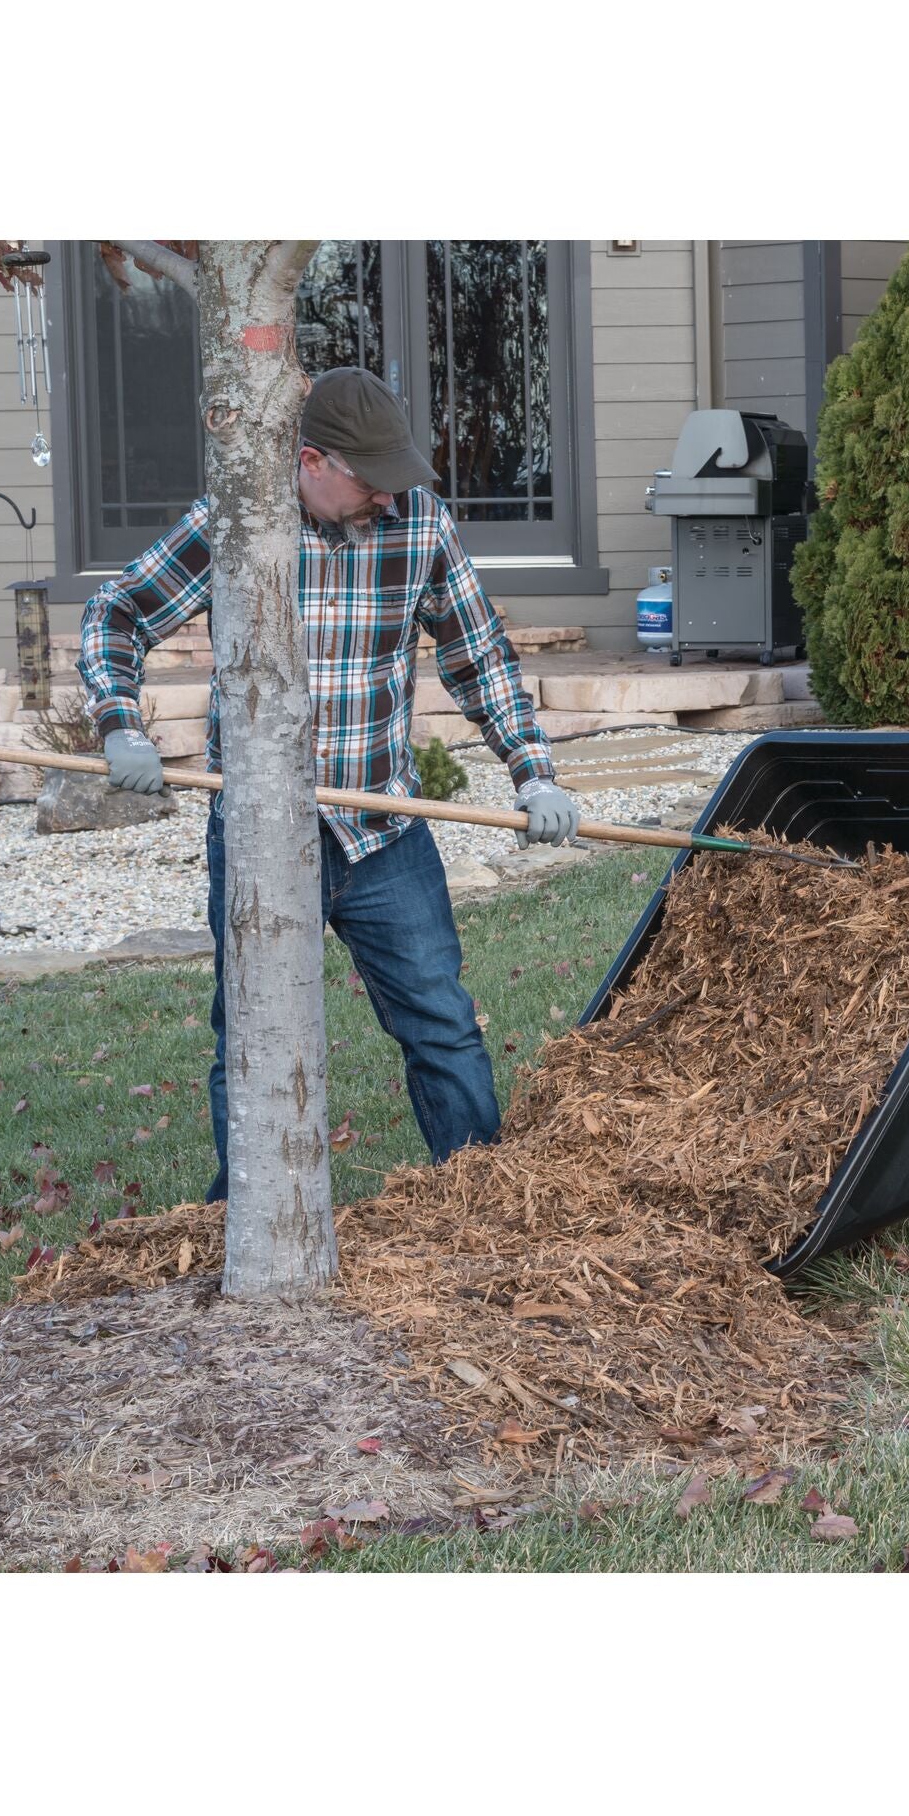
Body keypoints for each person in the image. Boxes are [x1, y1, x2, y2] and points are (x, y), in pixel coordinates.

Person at [78, 365, 581, 1202]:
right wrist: (119, 721)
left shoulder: (419, 524)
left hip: (384, 832)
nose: (389, 498)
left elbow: (479, 657)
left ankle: (486, 1210)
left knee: (443, 1025)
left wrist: (533, 775)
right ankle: (246, 1226)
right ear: (311, 460)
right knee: (252, 1036)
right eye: (372, 481)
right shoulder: (234, 526)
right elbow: (117, 612)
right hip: (263, 832)